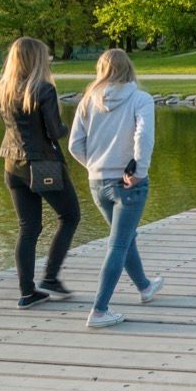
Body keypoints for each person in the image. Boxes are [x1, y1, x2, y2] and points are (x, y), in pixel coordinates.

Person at [68, 48, 164, 328]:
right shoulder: (140, 99)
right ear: (129, 68)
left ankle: (145, 287)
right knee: (119, 242)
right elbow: (143, 136)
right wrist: (139, 170)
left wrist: (94, 166)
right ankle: (99, 310)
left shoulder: (88, 101)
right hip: (128, 184)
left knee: (124, 237)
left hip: (97, 184)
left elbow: (75, 144)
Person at [0, 36, 81, 309]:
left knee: (28, 228)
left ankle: (27, 292)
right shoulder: (43, 90)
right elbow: (55, 132)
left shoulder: (2, 91)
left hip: (11, 164)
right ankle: (51, 277)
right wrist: (68, 127)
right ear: (36, 59)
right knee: (70, 216)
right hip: (41, 163)